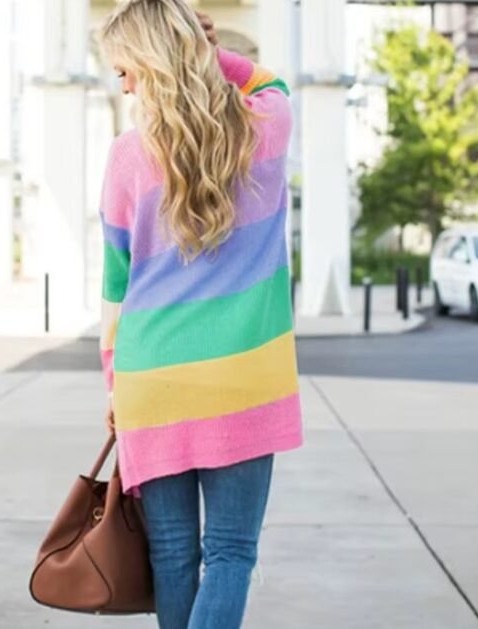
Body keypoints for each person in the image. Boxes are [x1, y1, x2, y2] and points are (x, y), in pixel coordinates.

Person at [97, 1, 304, 627]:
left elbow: (115, 286)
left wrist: (113, 382)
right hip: (245, 380)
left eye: (126, 68)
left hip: (152, 379)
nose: (124, 83)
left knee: (172, 554)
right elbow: (271, 83)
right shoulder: (266, 126)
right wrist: (213, 56)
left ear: (152, 64)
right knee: (232, 552)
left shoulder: (127, 157)